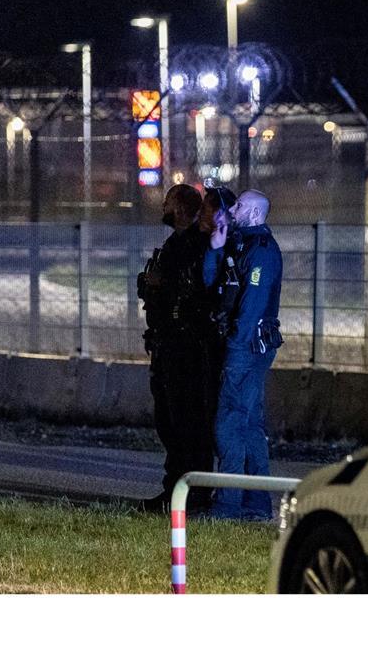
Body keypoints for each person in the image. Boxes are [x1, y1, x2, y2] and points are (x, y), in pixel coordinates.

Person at [203, 189, 284, 521]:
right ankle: (256, 504)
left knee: (228, 424)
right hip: (244, 346)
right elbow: (213, 282)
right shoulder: (239, 245)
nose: (232, 210)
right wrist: (216, 249)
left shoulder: (262, 252)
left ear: (253, 214)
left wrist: (234, 346)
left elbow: (251, 307)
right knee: (249, 425)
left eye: (239, 206)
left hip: (247, 348)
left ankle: (227, 504)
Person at [138, 183, 213, 513]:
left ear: (181, 209)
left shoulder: (196, 244)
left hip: (185, 349)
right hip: (166, 345)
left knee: (187, 425)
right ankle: (174, 490)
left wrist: (161, 284)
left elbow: (193, 291)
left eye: (168, 203)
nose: (163, 209)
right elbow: (151, 283)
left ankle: (190, 494)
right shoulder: (175, 243)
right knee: (168, 423)